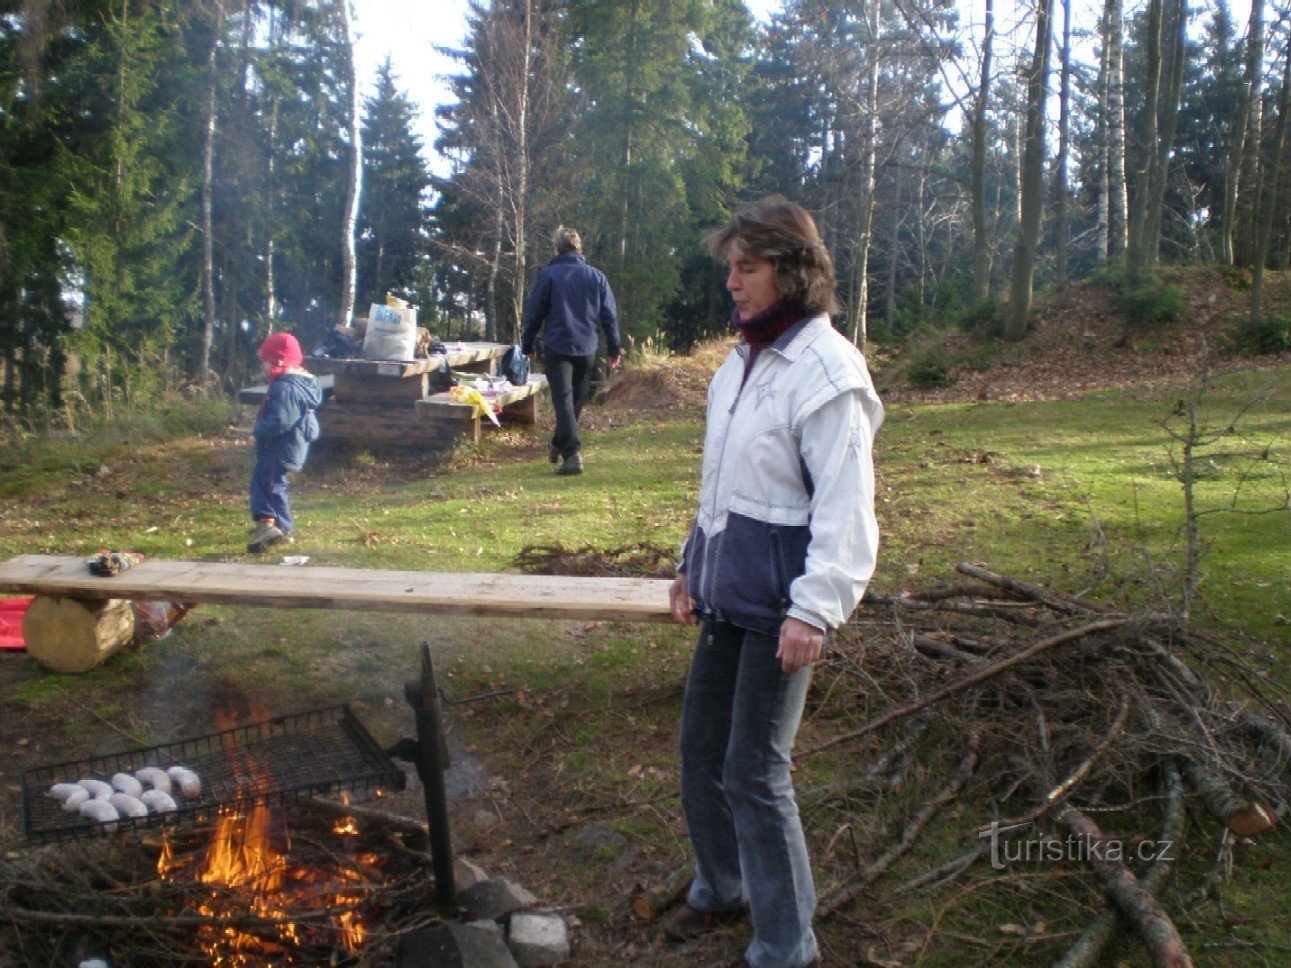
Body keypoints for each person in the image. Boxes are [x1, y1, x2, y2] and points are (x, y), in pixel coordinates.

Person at [666, 196, 884, 968]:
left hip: (780, 611)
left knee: (755, 773)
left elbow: (846, 509)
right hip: (726, 597)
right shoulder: (741, 361)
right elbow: (724, 483)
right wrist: (691, 563)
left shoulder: (827, 371)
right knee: (700, 754)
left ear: (793, 273)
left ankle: (786, 945)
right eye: (730, 267)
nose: (732, 282)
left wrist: (815, 612)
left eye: (747, 267)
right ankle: (723, 886)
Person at [521, 226, 621, 476]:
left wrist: (527, 343)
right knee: (573, 400)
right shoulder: (597, 277)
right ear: (579, 248)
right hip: (587, 347)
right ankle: (560, 443)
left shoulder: (549, 275)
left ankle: (572, 453)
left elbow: (535, 313)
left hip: (558, 345)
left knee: (565, 400)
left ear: (557, 248)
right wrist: (614, 347)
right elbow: (609, 315)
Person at [248, 332, 322, 553]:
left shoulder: (286, 387)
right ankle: (269, 524)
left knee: (271, 486)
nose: (262, 366)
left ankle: (279, 526)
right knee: (265, 482)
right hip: (284, 445)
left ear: (279, 361)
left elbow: (281, 419)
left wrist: (258, 433)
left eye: (266, 361)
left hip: (279, 446)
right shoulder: (297, 383)